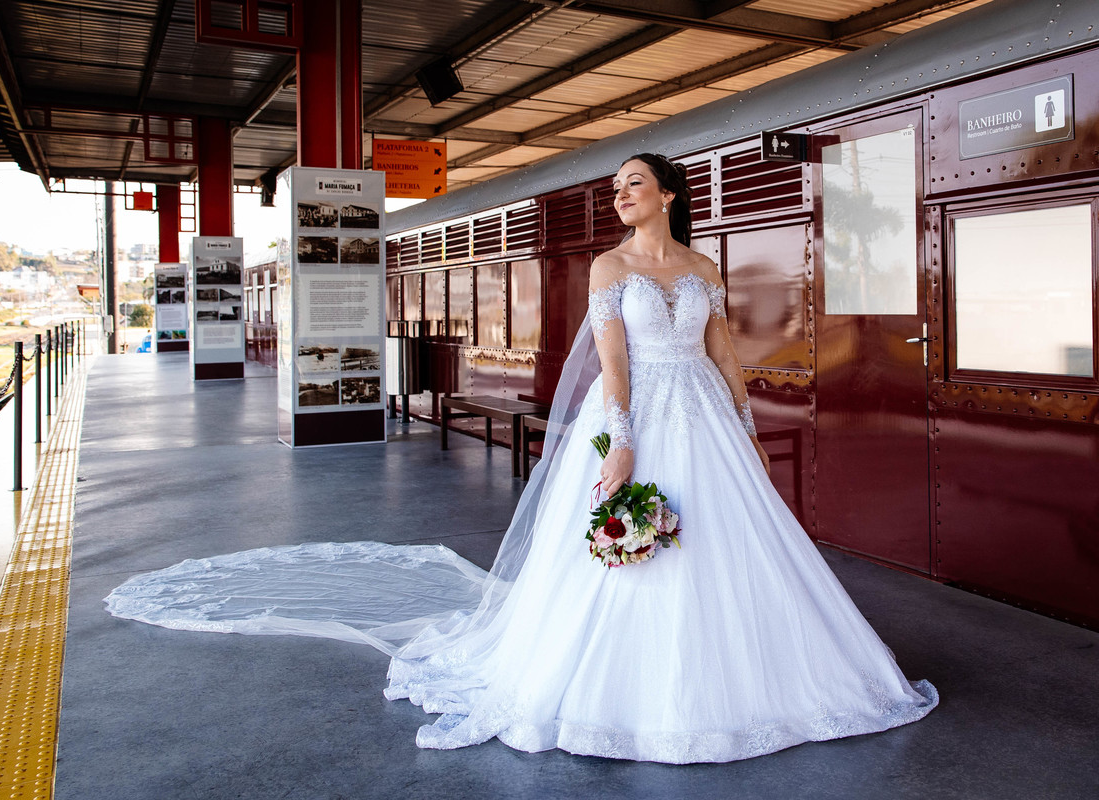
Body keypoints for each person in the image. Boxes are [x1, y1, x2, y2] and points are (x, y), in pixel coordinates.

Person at [106, 153, 937, 764]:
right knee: (636, 548)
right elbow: (614, 363)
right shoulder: (611, 267)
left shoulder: (702, 268)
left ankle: (756, 678)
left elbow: (723, 351)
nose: (621, 195)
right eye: (616, 187)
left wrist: (747, 425)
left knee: (726, 541)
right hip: (640, 412)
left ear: (669, 195)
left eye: (634, 184)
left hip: (706, 418)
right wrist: (622, 442)